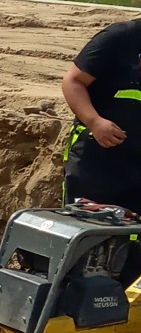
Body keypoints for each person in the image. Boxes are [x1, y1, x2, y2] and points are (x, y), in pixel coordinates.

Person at [60, 19, 141, 215]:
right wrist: (95, 122)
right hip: (95, 159)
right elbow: (73, 81)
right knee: (87, 227)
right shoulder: (119, 37)